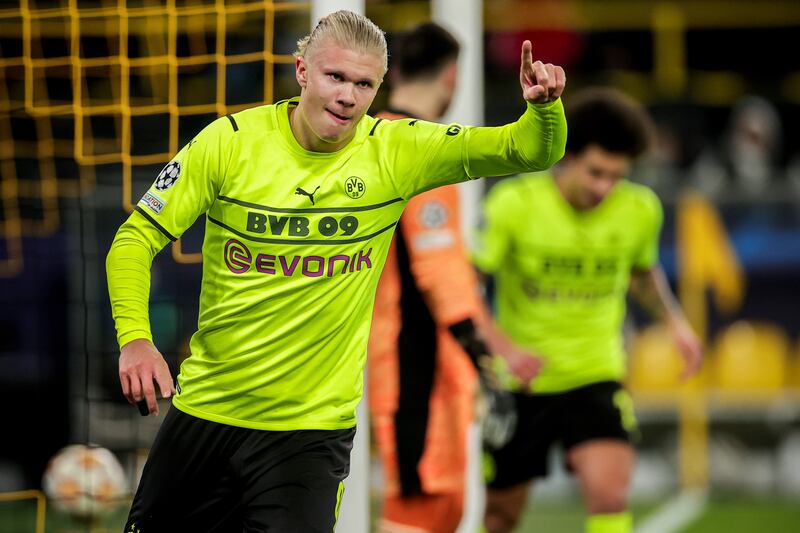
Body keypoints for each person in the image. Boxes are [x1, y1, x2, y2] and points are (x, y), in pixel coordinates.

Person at [106, 10, 566, 532]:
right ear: (302, 70)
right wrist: (135, 338)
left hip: (309, 436)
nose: (348, 95)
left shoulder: (396, 151)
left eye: (364, 83)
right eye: (335, 77)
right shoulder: (229, 143)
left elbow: (528, 149)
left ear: (379, 89)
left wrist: (544, 109)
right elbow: (134, 238)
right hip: (207, 415)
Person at [473, 88, 703, 533]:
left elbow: (641, 273)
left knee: (610, 494)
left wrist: (676, 324)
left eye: (616, 176)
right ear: (567, 156)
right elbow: (465, 285)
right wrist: (505, 348)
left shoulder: (639, 209)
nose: (604, 188)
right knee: (500, 516)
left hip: (596, 374)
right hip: (519, 382)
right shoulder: (513, 204)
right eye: (596, 173)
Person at [367, 23, 535, 533]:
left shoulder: (367, 141)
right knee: (426, 506)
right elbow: (439, 271)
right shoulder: (423, 149)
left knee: (430, 502)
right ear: (453, 74)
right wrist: (483, 357)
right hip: (418, 364)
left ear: (393, 72)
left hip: (388, 355)